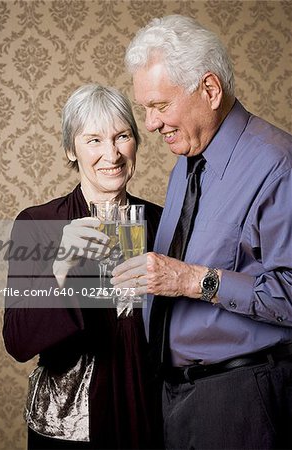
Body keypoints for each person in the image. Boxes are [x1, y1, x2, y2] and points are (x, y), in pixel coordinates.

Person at [111, 15, 292, 450]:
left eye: (160, 106)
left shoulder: (278, 165)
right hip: (176, 395)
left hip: (242, 397)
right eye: (145, 110)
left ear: (209, 90)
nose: (150, 125)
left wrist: (191, 280)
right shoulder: (187, 164)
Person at [2, 84, 163, 449]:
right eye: (93, 140)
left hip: (151, 413)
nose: (112, 154)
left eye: (122, 136)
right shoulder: (36, 223)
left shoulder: (164, 222)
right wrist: (59, 267)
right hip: (71, 426)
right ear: (70, 150)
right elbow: (17, 341)